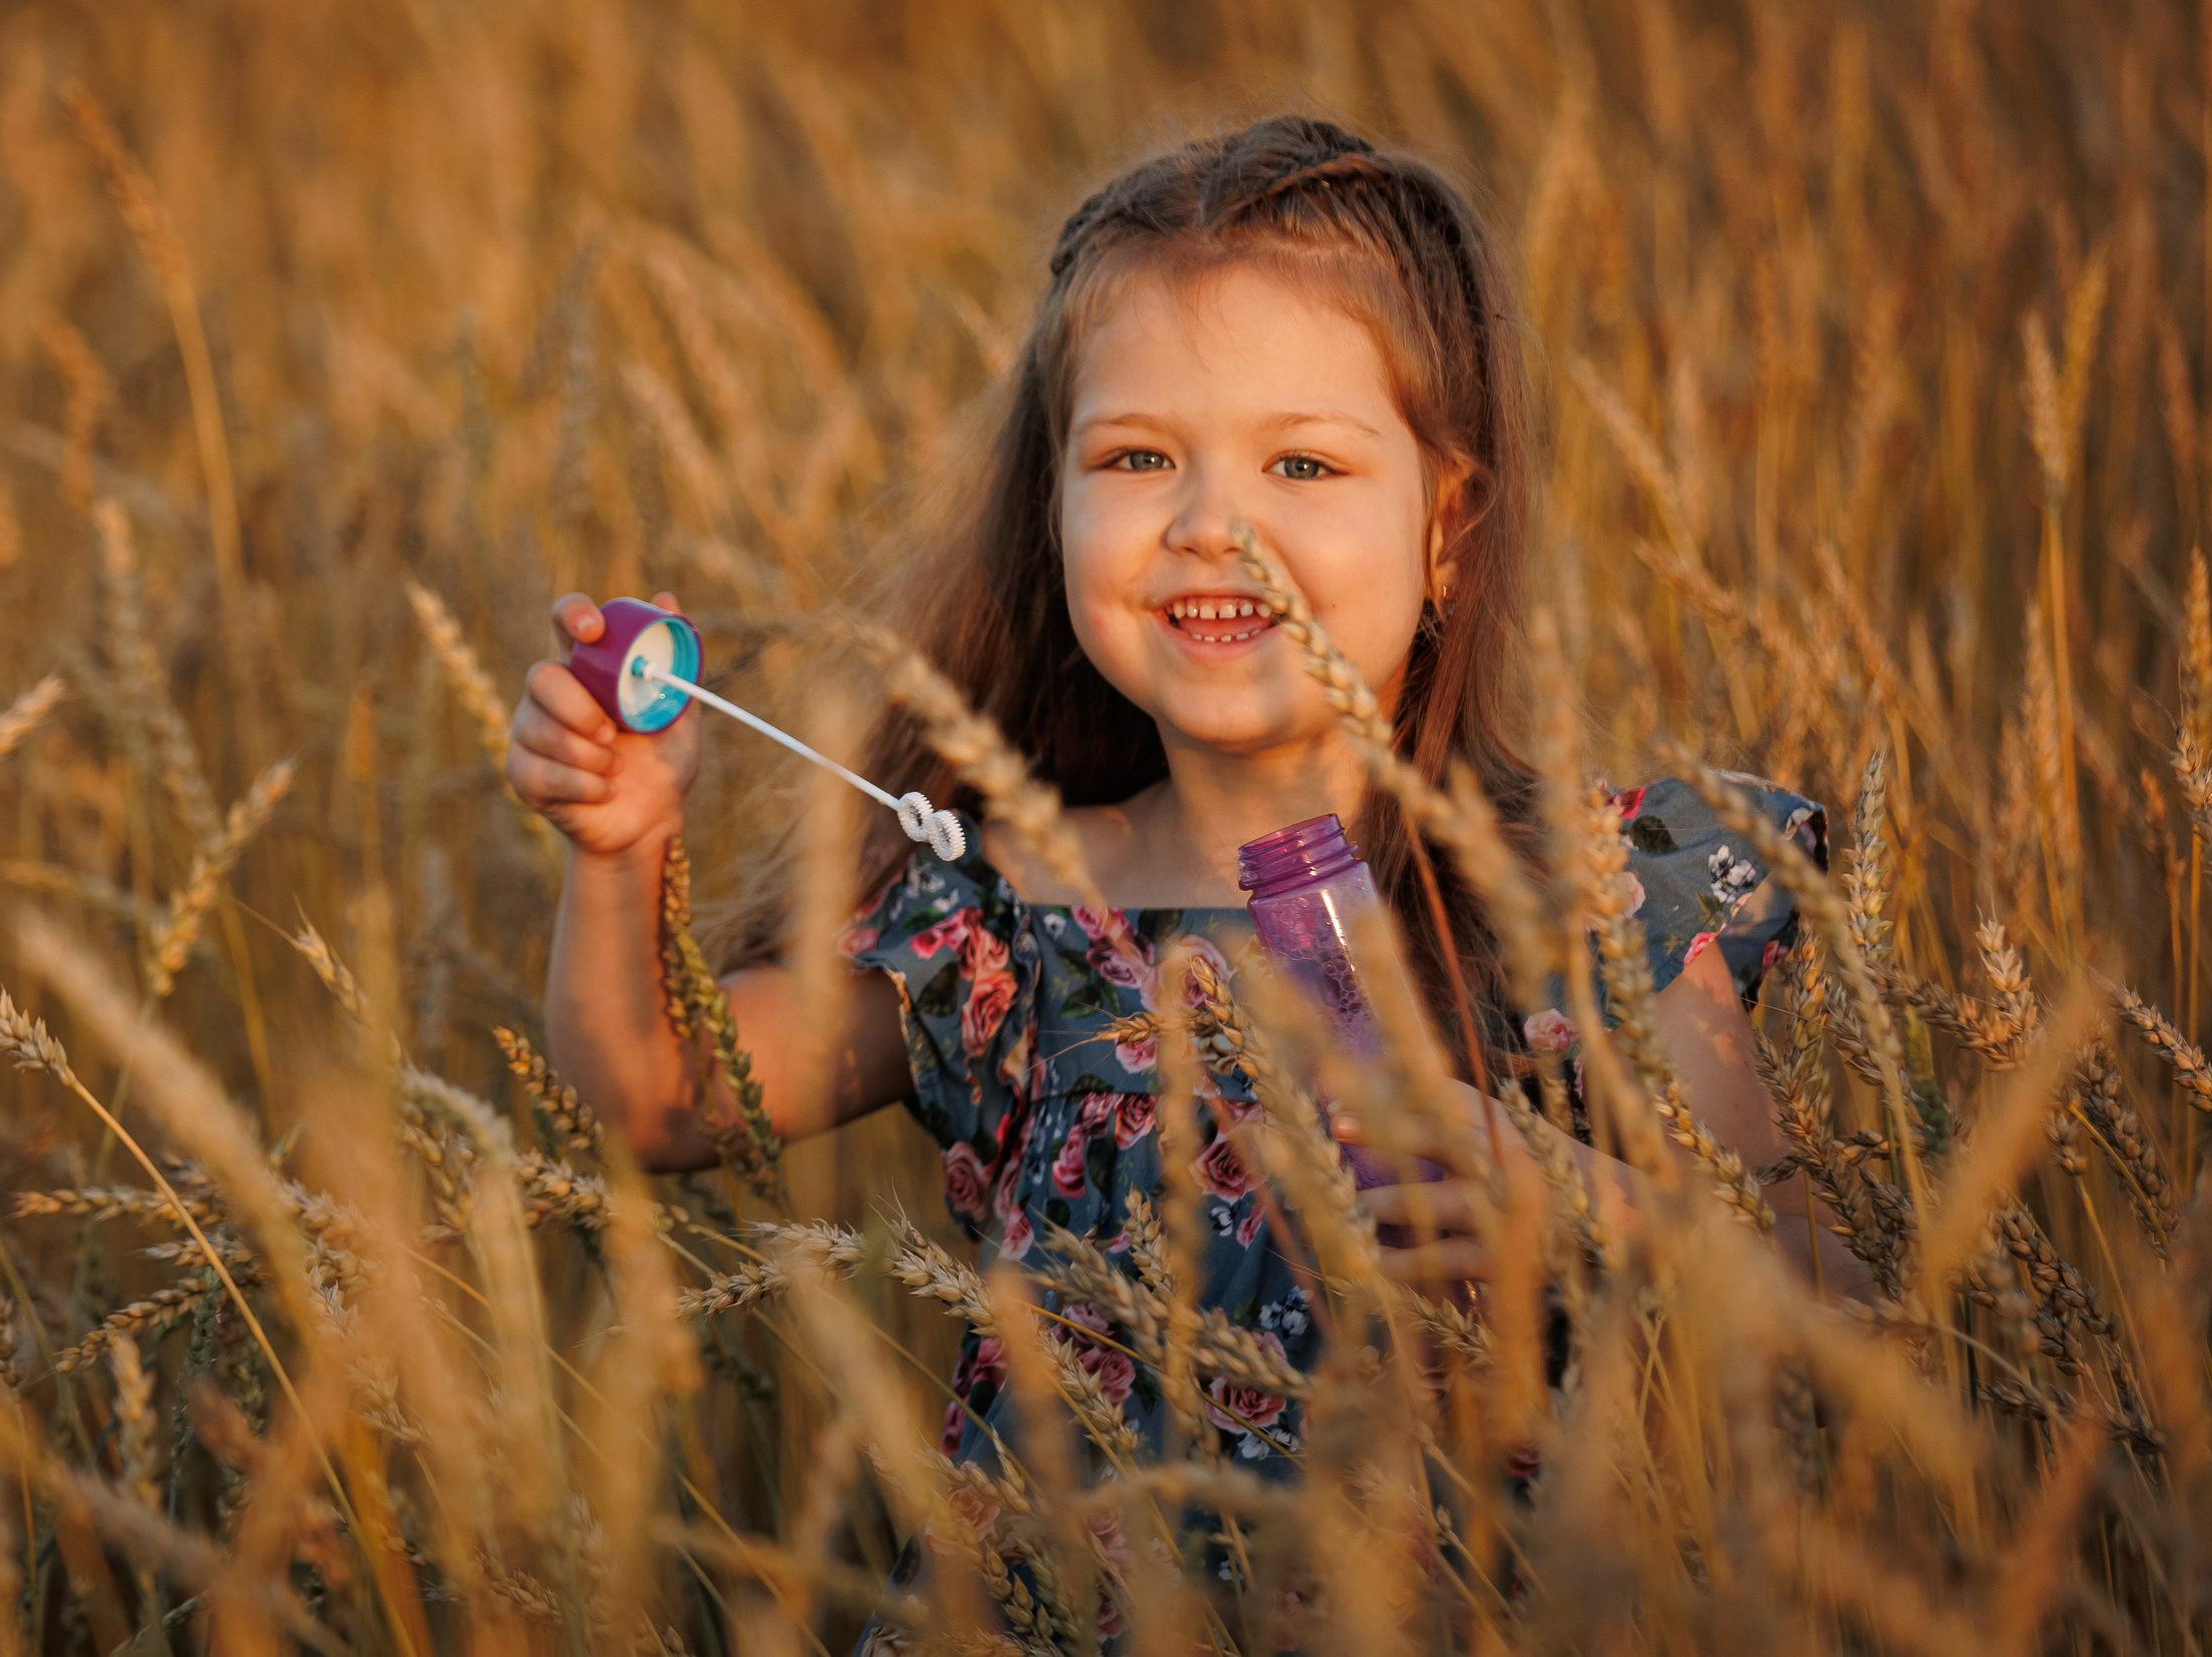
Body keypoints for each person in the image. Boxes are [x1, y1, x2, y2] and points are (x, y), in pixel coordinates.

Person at [506, 114, 1865, 1637]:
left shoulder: (1614, 904)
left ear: (1447, 529)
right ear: (1058, 505)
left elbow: (1847, 1322)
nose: (1214, 524)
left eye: (1303, 461)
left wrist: (1591, 1208)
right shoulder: (1019, 914)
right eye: (1139, 457)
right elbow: (660, 1099)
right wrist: (621, 858)